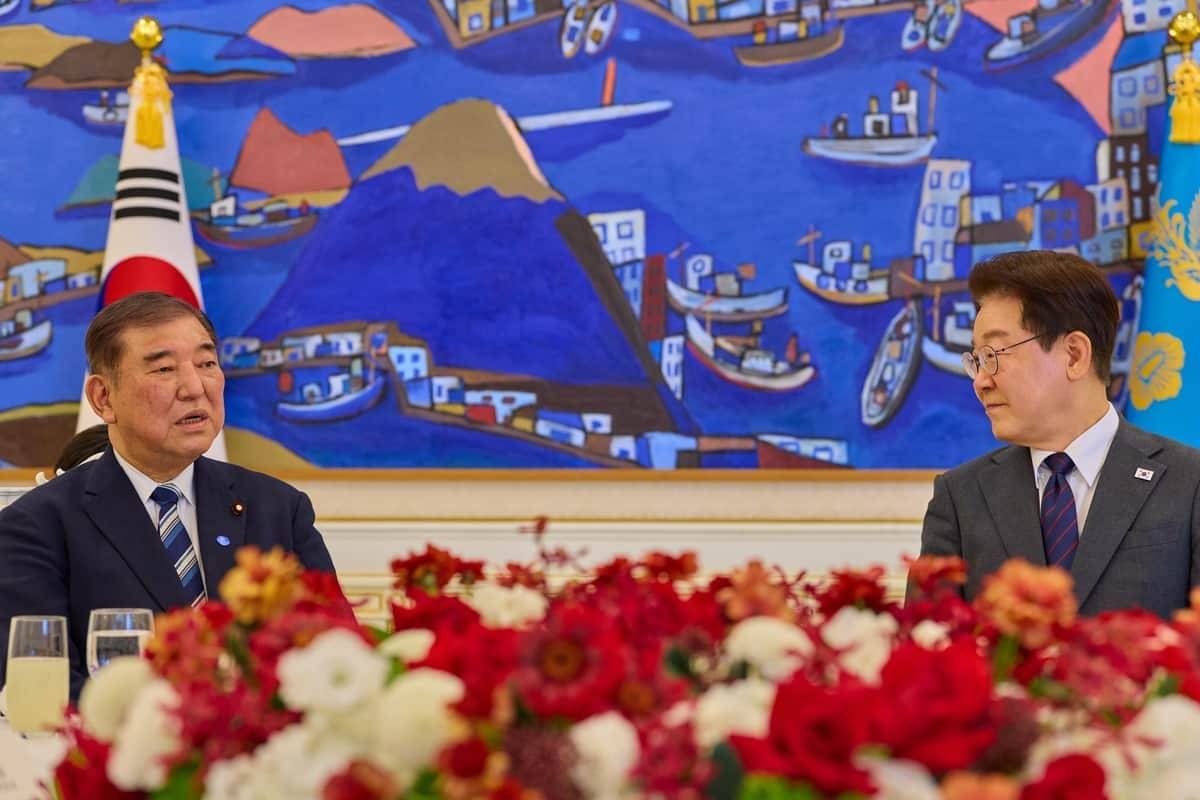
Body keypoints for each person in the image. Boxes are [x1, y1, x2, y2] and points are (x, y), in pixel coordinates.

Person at [0, 292, 336, 698]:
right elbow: (42, 686)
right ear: (104, 398)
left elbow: (338, 657)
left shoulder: (278, 509)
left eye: (206, 364)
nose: (195, 388)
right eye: (163, 369)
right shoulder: (35, 526)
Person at [917, 250, 1200, 617]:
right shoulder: (961, 497)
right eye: (977, 360)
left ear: (1074, 355)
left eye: (994, 354)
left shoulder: (1189, 483)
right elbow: (927, 642)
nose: (981, 381)